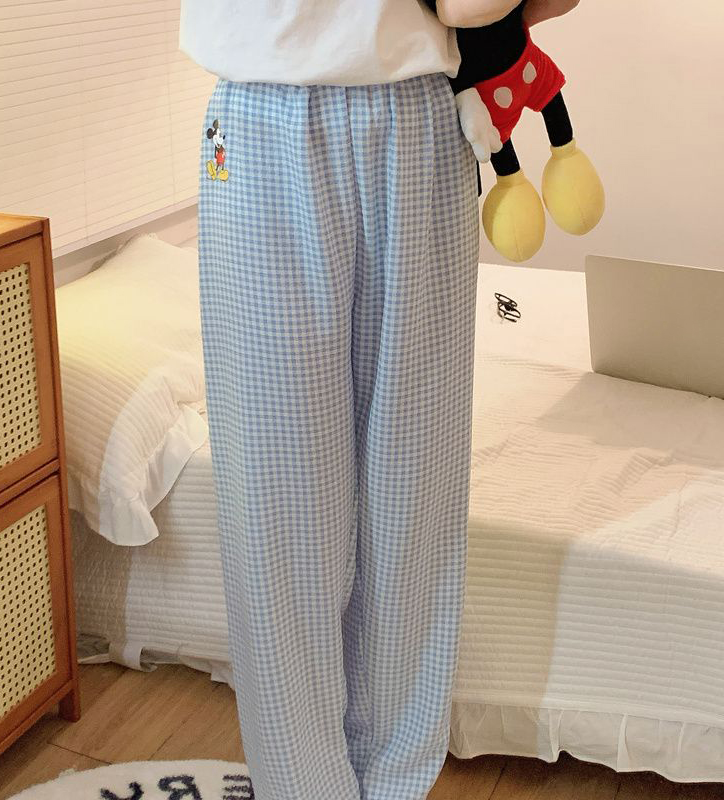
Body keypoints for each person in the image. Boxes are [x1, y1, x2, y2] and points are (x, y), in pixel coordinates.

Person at [178, 2, 579, 798]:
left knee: (408, 492)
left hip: (415, 112)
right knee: (288, 507)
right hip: (266, 114)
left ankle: (390, 784)